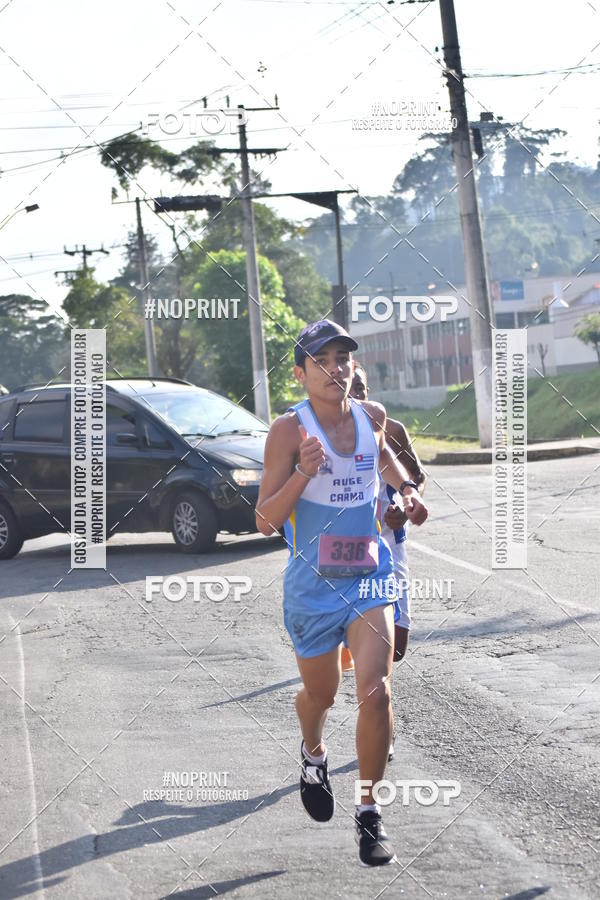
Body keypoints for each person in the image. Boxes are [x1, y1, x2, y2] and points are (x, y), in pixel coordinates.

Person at [255, 319, 428, 867]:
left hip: (369, 575)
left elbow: (381, 459)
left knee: (375, 691)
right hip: (312, 586)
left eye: (343, 358)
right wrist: (303, 475)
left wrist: (406, 490)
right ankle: (312, 751)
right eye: (323, 360)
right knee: (323, 695)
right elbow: (264, 520)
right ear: (301, 372)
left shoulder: (371, 417)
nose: (336, 368)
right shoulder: (289, 432)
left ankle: (370, 812)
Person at [345, 362, 427, 760]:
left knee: (396, 647)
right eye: (349, 389)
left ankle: (373, 695)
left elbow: (415, 476)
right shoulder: (328, 435)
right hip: (349, 553)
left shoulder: (390, 430)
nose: (355, 395)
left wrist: (403, 501)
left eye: (360, 388)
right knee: (372, 653)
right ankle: (378, 719)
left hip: (391, 546)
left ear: (369, 389)